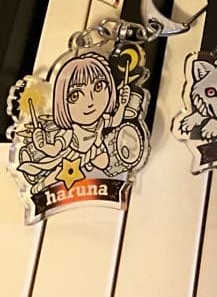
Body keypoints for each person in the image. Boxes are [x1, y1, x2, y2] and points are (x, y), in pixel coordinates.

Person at [16, 54, 142, 193]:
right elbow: (55, 150)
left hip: (95, 150)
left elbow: (116, 121)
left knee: (105, 163)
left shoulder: (101, 120)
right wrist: (43, 146)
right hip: (73, 156)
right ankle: (40, 187)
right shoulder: (70, 132)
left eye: (98, 86)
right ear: (62, 103)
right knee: (58, 174)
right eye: (75, 95)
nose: (90, 101)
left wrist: (122, 104)